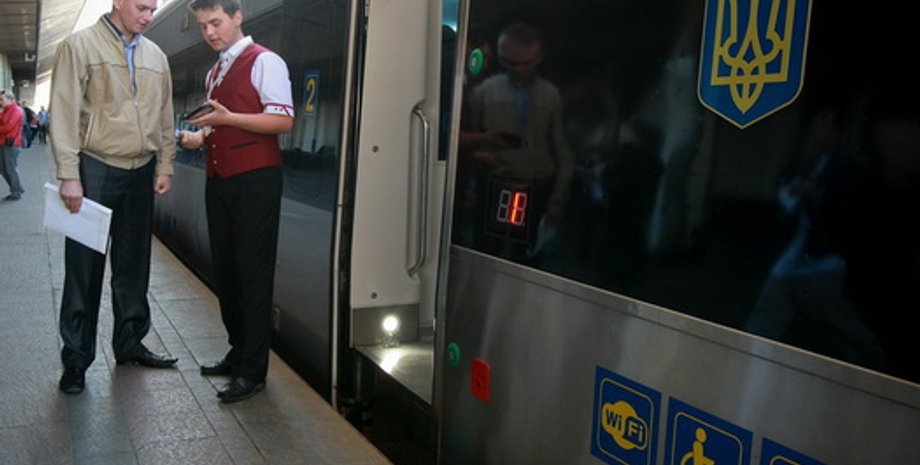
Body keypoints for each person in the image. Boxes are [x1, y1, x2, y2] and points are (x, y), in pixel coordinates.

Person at [49, 0, 178, 395]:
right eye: (141, 7)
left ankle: (129, 343)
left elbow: (165, 114)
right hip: (95, 167)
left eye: (152, 8)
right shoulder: (78, 46)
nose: (147, 15)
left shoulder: (157, 56)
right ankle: (76, 359)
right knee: (83, 268)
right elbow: (64, 112)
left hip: (142, 170)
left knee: (133, 264)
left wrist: (165, 164)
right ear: (118, 1)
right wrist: (69, 175)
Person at [179, 0, 294, 403]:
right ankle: (238, 350)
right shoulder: (214, 72)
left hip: (255, 180)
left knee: (252, 273)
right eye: (203, 26)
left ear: (238, 17)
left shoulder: (265, 61)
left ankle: (252, 371)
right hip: (221, 180)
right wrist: (200, 137)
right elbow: (220, 124)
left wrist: (227, 120)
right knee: (226, 270)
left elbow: (283, 120)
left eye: (216, 22)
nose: (209, 32)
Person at [464, 21, 574, 262]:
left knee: (528, 257)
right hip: (493, 183)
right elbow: (468, 142)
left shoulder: (551, 95)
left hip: (537, 186)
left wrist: (558, 199)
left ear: (539, 57)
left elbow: (562, 149)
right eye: (510, 62)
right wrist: (469, 184)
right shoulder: (484, 92)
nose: (518, 69)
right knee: (485, 252)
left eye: (526, 62)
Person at [0, 89, 24, 200]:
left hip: (12, 144)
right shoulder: (5, 110)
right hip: (4, 143)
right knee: (3, 168)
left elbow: (8, 127)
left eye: (2, 99)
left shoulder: (16, 111)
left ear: (10, 99)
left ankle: (16, 192)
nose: (0, 102)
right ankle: (17, 187)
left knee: (10, 169)